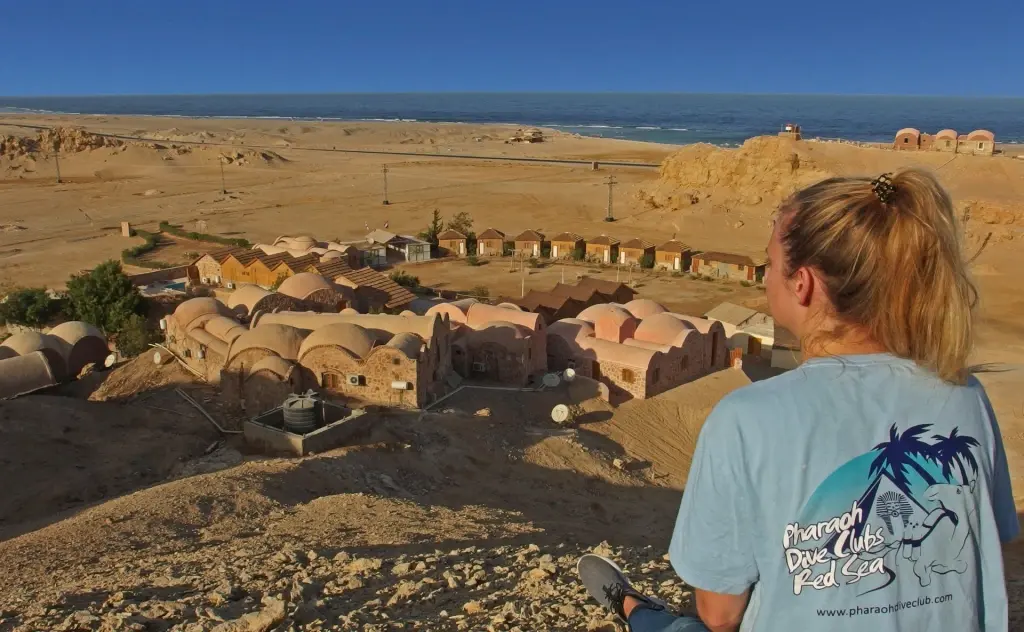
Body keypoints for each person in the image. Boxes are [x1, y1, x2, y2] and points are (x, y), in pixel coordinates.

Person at [577, 169, 1018, 631]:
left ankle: (637, 611)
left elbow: (721, 614)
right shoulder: (964, 395)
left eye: (769, 264)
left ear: (802, 283)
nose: (766, 277)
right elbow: (991, 548)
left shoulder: (748, 418)